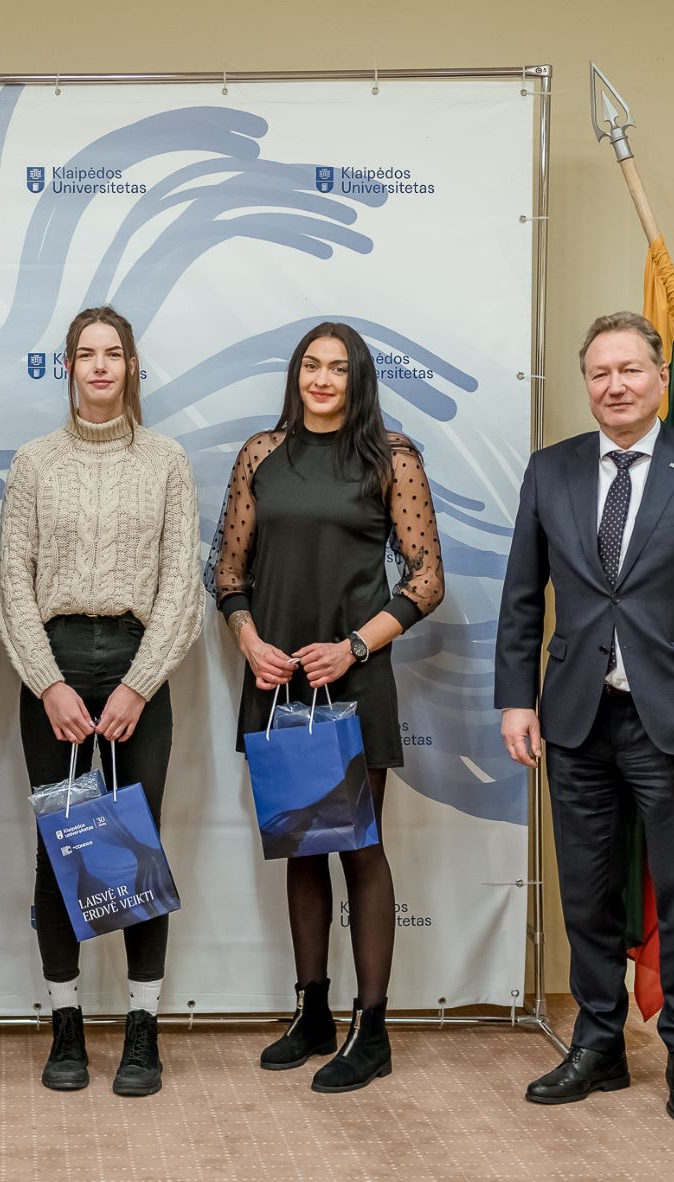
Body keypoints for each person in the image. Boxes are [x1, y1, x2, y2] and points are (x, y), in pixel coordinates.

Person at [496, 311, 674, 1126]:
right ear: (586, 384)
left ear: (656, 378)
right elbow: (520, 597)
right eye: (599, 373)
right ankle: (597, 1047)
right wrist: (516, 699)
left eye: (629, 370)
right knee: (586, 895)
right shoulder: (550, 469)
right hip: (575, 717)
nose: (614, 386)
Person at [207, 321, 445, 1093]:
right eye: (310, 365)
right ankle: (310, 1013)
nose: (320, 378)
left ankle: (370, 1030)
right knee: (301, 846)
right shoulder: (261, 454)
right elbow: (227, 573)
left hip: (352, 677)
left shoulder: (391, 457)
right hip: (277, 683)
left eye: (336, 368)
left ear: (357, 379)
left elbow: (425, 578)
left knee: (359, 849)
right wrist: (248, 641)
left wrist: (353, 648)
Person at [0, 306, 204, 1096]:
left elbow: (180, 587)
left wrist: (137, 686)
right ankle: (66, 1025)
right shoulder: (34, 462)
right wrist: (46, 682)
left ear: (131, 365)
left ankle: (143, 1029)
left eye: (113, 353)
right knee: (61, 845)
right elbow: (11, 581)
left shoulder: (166, 461)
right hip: (50, 669)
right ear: (69, 368)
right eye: (86, 354)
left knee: (134, 848)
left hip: (134, 663)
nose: (100, 366)